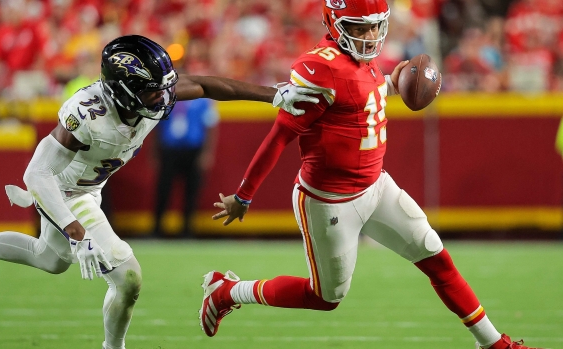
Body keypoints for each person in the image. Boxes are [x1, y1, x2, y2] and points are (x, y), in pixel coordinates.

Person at [201, 2, 543, 349]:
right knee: (326, 297)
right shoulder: (320, 68)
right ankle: (228, 291)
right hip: (328, 201)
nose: (369, 36)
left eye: (375, 26)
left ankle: (495, 344)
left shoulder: (362, 60)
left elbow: (368, 90)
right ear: (334, 23)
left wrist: (403, 81)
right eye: (359, 28)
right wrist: (244, 195)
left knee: (436, 256)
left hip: (376, 187)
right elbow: (279, 137)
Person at [0, 35, 319, 349]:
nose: (164, 98)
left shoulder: (153, 93)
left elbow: (206, 85)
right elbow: (37, 174)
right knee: (127, 277)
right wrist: (75, 230)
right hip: (64, 192)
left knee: (49, 260)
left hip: (89, 189)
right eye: (154, 92)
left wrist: (273, 95)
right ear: (123, 91)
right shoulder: (88, 114)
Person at [151, 97, 219, 238]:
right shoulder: (164, 99)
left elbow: (210, 126)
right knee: (163, 190)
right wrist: (154, 152)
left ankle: (187, 229)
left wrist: (207, 152)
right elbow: (155, 127)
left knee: (191, 191)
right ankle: (157, 229)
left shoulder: (202, 101)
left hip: (193, 150)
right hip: (169, 149)